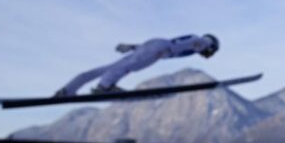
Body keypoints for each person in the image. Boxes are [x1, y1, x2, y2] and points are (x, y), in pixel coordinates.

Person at [54, 34, 219, 97]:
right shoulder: (202, 42)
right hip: (160, 48)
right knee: (129, 67)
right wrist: (206, 45)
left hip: (154, 44)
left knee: (108, 68)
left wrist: (131, 47)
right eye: (211, 51)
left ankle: (67, 90)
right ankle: (104, 86)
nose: (208, 55)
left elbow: (155, 46)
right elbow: (194, 44)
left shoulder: (193, 41)